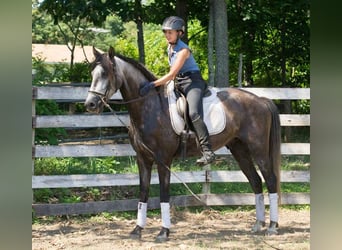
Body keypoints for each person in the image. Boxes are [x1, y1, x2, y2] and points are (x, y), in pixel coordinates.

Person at [139, 16, 215, 165]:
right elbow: (174, 74)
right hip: (179, 82)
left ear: (179, 33)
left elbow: (171, 74)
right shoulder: (170, 47)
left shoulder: (183, 51)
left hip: (193, 83)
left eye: (170, 33)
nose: (167, 36)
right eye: (165, 32)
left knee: (193, 112)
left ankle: (208, 151)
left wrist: (152, 84)